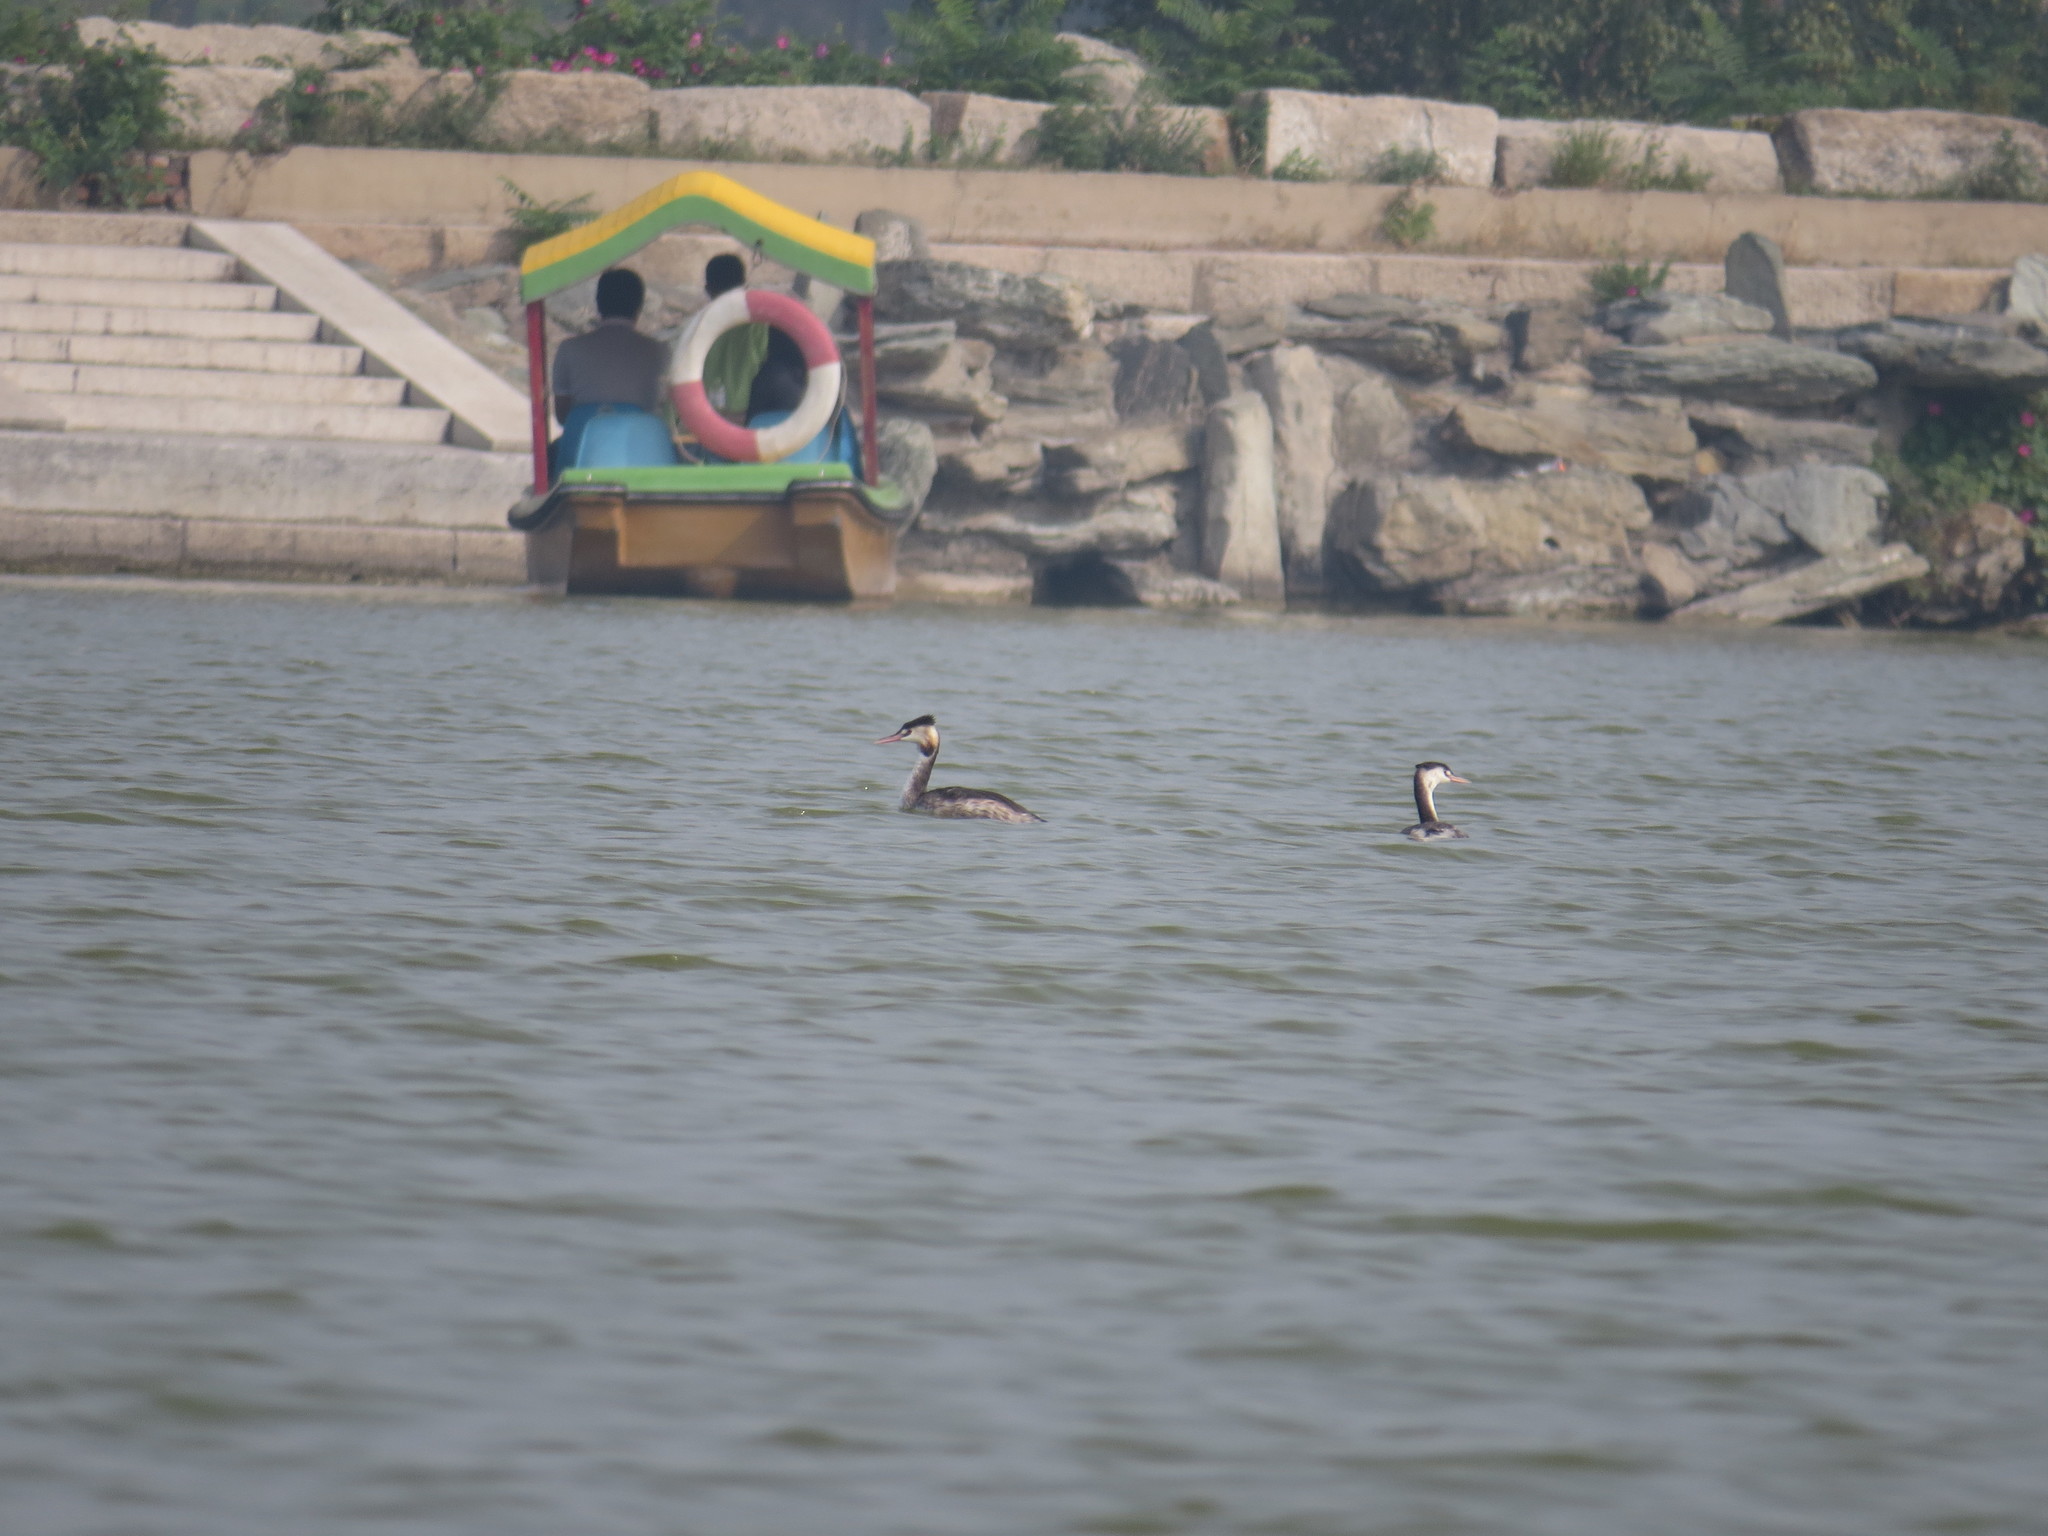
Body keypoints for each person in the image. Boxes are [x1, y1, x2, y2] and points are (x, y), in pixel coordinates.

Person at [552, 267, 669, 424]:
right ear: (639, 306)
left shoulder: (568, 349)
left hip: (584, 444)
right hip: (640, 444)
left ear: (598, 303)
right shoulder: (659, 352)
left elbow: (562, 416)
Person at [698, 253, 769, 419]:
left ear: (708, 290)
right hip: (750, 418)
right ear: (744, 284)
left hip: (706, 419)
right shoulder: (760, 325)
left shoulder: (697, 326)